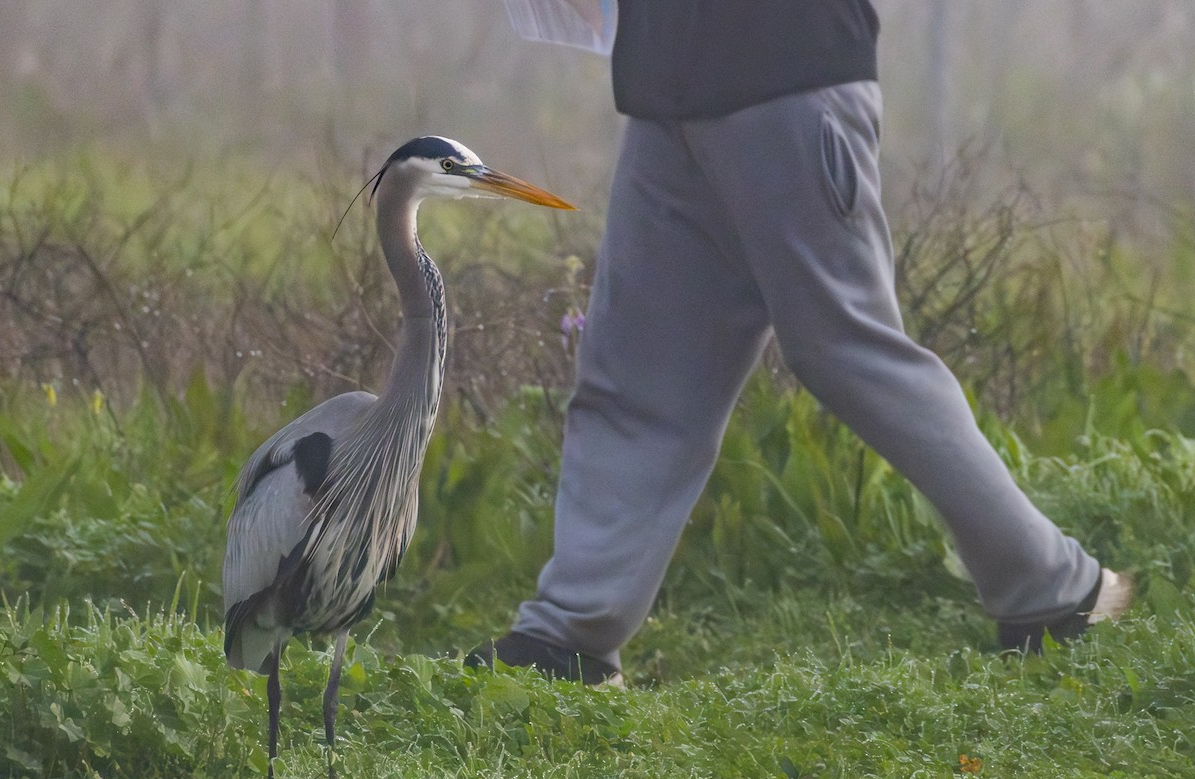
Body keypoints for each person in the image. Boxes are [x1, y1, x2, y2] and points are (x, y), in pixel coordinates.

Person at [468, 0, 1132, 685]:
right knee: (637, 376)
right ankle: (568, 638)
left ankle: (1054, 587)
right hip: (668, 93)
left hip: (785, 76)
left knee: (845, 348)